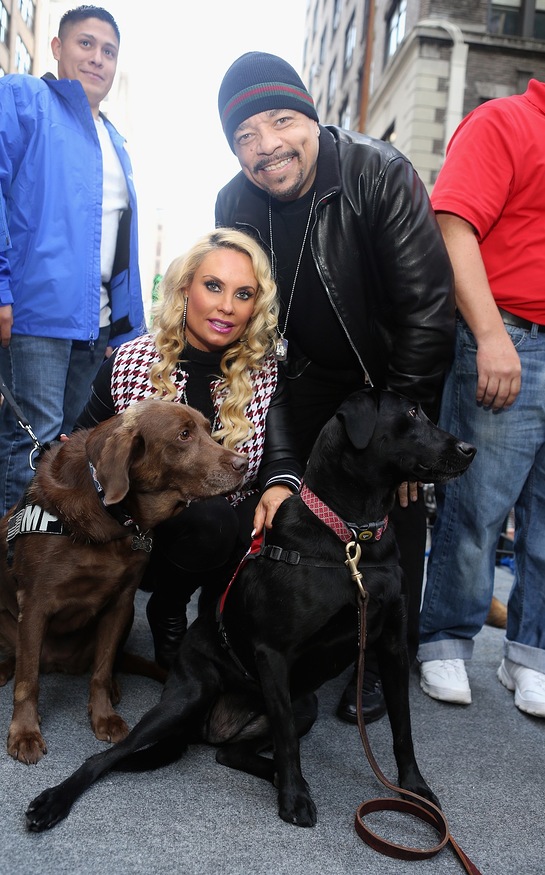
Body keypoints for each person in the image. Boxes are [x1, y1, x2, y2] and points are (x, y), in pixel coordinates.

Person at [215, 52, 455, 724]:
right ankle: (297, 637)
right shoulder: (233, 201)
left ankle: (381, 660)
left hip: (389, 367)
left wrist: (406, 428)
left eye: (281, 121)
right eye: (244, 137)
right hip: (303, 371)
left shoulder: (377, 173)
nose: (265, 147)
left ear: (312, 119)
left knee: (393, 505)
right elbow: (256, 327)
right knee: (291, 499)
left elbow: (426, 311)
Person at [75, 228, 303, 668]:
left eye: (243, 294)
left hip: (231, 526)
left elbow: (282, 458)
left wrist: (279, 487)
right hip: (144, 529)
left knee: (262, 512)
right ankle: (168, 609)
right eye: (213, 286)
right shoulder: (129, 361)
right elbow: (84, 439)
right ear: (185, 289)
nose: (226, 306)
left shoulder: (264, 372)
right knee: (209, 518)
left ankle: (219, 618)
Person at [418, 79, 545, 718]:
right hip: (512, 337)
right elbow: (453, 224)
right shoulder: (505, 122)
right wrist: (492, 337)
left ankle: (530, 654)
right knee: (477, 508)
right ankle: (444, 640)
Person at [0, 5, 144, 517]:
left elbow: (123, 245)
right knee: (31, 443)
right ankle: (12, 573)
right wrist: (0, 289)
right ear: (58, 48)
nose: (97, 58)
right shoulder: (25, 98)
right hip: (36, 315)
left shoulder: (117, 143)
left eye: (108, 51)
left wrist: (128, 334)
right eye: (86, 44)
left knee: (69, 449)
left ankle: (43, 561)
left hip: (95, 330)